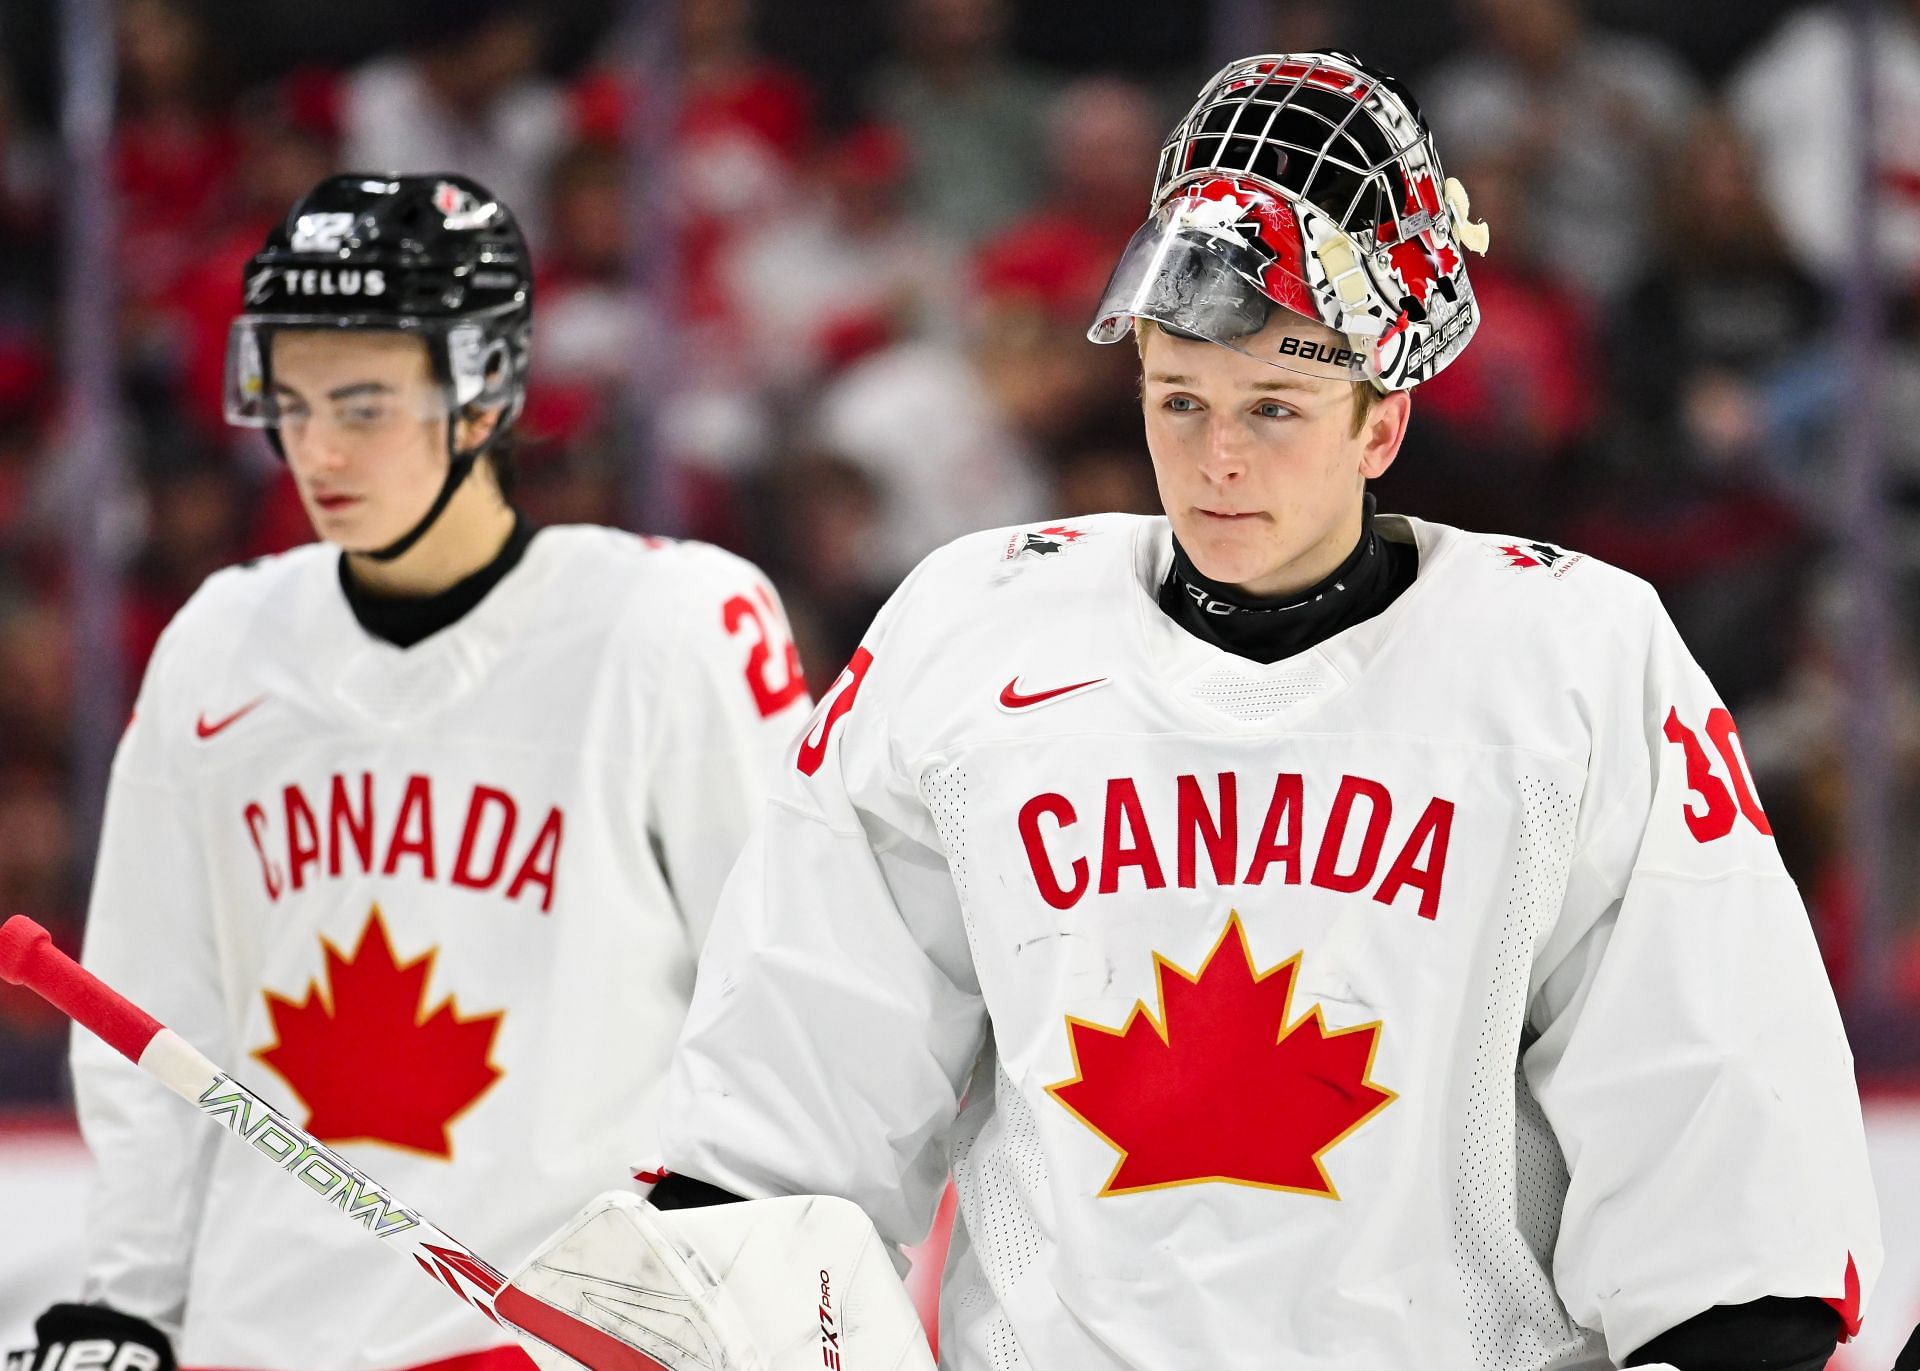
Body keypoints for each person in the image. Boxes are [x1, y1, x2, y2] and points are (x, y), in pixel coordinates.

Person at [648, 52, 1882, 1371]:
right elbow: (785, 1105)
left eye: (1276, 407)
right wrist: (709, 1293)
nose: (1218, 458)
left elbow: (1714, 1144)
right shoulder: (969, 632)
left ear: (1383, 421)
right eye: (1181, 401)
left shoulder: (1574, 663)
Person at [20, 173, 811, 1370]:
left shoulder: (667, 622)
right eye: (289, 403)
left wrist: (735, 1268)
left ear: (484, 389)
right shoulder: (222, 639)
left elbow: (783, 995)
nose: (316, 448)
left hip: (551, 1336)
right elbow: (153, 1002)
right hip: (261, 1334)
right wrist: (132, 1300)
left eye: (365, 404)